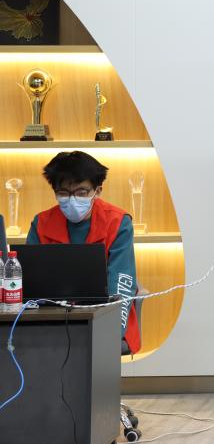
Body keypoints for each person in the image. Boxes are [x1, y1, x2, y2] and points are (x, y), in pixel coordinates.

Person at [25, 151, 140, 354]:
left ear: (98, 190)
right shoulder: (41, 222)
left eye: (81, 192)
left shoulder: (117, 222)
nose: (72, 200)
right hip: (50, 317)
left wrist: (111, 330)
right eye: (63, 193)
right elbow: (29, 281)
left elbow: (121, 282)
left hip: (103, 317)